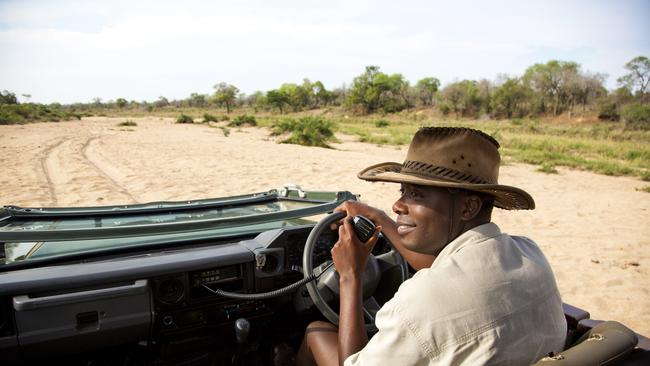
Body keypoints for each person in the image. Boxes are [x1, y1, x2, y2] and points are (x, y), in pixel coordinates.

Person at [296, 127, 567, 365]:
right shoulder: (529, 253)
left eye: (417, 194)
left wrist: (350, 275)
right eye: (402, 192)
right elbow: (448, 268)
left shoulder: (421, 300)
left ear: (469, 206)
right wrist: (378, 217)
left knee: (315, 330)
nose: (398, 205)